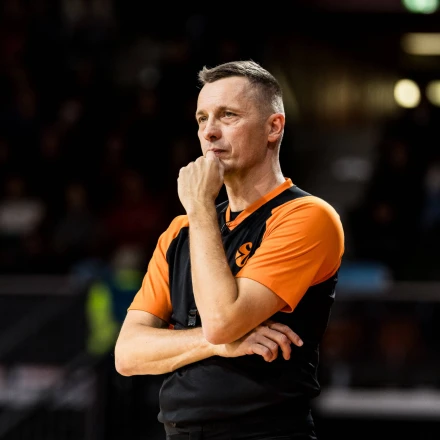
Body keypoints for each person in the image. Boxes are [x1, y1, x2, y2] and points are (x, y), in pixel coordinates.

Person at [114, 60, 345, 440]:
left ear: (273, 127)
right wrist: (219, 346)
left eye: (228, 115)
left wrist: (200, 205)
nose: (209, 131)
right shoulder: (180, 230)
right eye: (202, 118)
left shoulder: (307, 216)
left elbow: (223, 321)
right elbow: (127, 354)